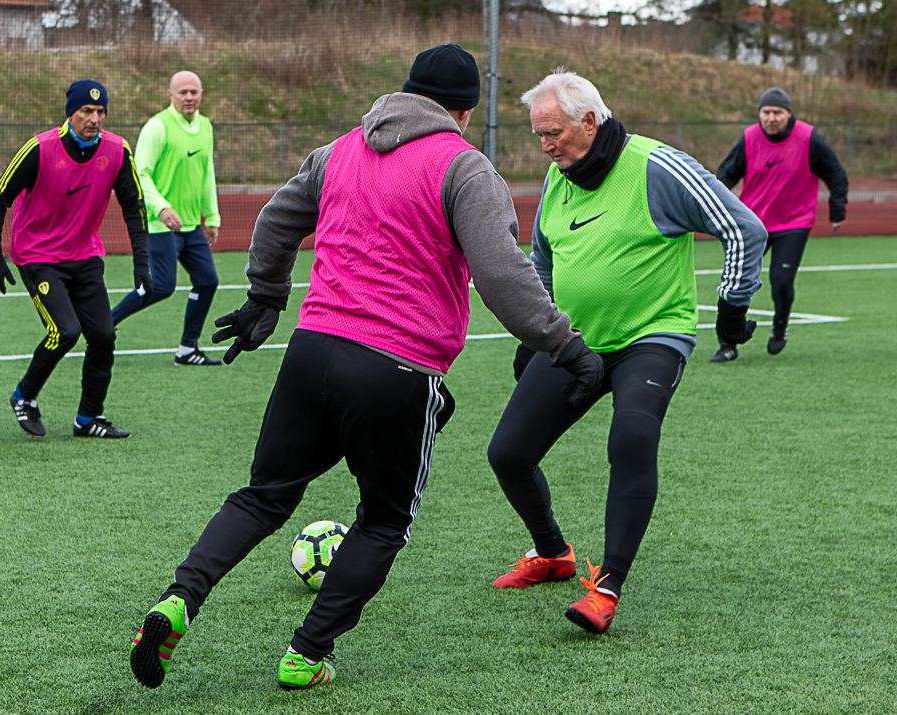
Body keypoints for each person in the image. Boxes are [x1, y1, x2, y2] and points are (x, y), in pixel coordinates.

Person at [128, 45, 602, 691]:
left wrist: (267, 297)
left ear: (404, 92)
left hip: (311, 349)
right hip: (395, 367)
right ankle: (306, 652)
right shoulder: (464, 165)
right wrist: (567, 347)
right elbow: (502, 277)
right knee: (383, 520)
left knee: (262, 495)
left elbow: (273, 221)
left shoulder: (342, 148)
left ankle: (177, 599)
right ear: (465, 110)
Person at [487, 70, 767, 634]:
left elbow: (744, 228)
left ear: (589, 122)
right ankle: (552, 554)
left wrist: (732, 308)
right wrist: (539, 333)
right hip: (578, 341)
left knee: (632, 438)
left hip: (651, 336)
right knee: (508, 454)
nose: (545, 145)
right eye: (538, 133)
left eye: (554, 132)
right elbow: (542, 257)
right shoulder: (557, 176)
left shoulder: (658, 166)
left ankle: (607, 584)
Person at [0, 80, 152, 439]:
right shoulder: (40, 149)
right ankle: (24, 396)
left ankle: (88, 419)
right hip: (37, 255)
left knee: (104, 335)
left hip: (85, 255)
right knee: (65, 331)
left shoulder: (117, 150)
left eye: (100, 112)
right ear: (70, 113)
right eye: (86, 111)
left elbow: (134, 208)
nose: (94, 119)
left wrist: (143, 263)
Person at [715, 86, 848, 360]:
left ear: (789, 114)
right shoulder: (750, 137)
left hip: (794, 223)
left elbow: (835, 172)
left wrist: (837, 210)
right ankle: (728, 344)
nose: (771, 118)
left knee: (781, 282)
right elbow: (726, 174)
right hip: (753, 224)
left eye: (777, 112)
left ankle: (780, 325)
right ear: (759, 114)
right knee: (736, 282)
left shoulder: (808, 137)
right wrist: (713, 207)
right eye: (766, 112)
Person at [109, 71, 222, 366]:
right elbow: (140, 173)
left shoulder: (206, 127)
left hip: (191, 226)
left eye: (194, 92)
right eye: (182, 92)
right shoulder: (157, 127)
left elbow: (207, 172)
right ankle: (105, 324)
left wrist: (212, 216)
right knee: (161, 286)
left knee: (208, 281)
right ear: (170, 94)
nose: (189, 97)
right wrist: (161, 207)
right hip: (160, 225)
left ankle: (187, 349)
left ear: (201, 94)